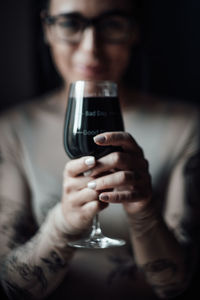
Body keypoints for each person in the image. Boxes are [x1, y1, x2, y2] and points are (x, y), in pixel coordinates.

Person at [0, 0, 200, 299]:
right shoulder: (11, 130)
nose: (91, 48)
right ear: (47, 29)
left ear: (134, 32)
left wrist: (144, 211)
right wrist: (62, 226)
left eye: (112, 24)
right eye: (70, 23)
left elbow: (175, 285)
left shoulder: (187, 125)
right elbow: (11, 288)